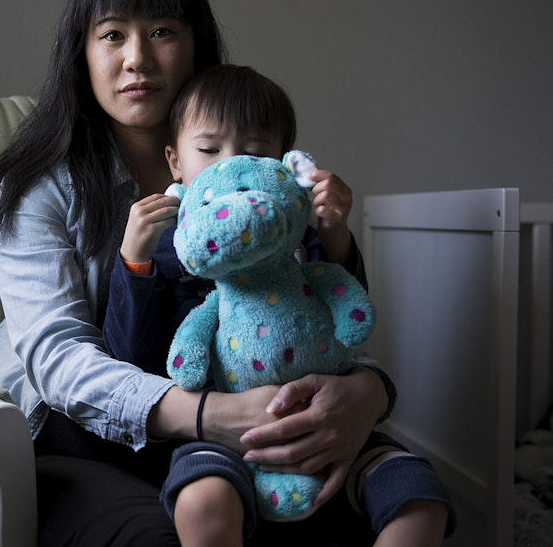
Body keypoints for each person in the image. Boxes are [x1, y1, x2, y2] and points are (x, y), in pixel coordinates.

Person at [0, 0, 397, 546]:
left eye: (161, 31)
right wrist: (212, 416)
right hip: (86, 436)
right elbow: (59, 359)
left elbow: (302, 312)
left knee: (383, 501)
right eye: (112, 35)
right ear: (83, 53)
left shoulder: (255, 174)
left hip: (240, 418)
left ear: (196, 45)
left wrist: (368, 392)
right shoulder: (38, 187)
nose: (137, 58)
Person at [103, 64, 456, 546]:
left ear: (285, 163)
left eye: (254, 152)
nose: (233, 166)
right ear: (175, 162)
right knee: (202, 502)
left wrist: (335, 234)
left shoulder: (297, 237)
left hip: (323, 423)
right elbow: (132, 359)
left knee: (420, 499)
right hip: (221, 439)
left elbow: (348, 321)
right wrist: (134, 262)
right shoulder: (170, 247)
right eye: (209, 150)